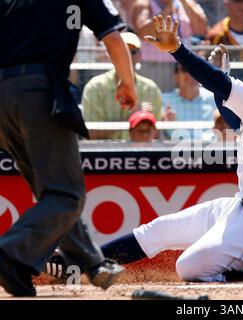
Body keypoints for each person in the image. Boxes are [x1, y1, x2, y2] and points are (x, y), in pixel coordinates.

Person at [45, 15, 243, 283]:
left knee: (189, 267)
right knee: (158, 231)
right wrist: (222, 83)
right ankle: (76, 266)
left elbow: (218, 84)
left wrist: (179, 50)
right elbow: (235, 120)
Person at [0, 0, 137, 297]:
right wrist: (127, 82)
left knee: (53, 192)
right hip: (37, 92)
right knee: (67, 194)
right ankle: (11, 252)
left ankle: (92, 263)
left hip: (3, 97)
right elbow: (113, 37)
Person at [82, 31, 162, 140]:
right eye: (123, 51)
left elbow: (156, 134)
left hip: (140, 153)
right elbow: (90, 134)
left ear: (140, 56)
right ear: (110, 55)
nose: (127, 56)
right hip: (102, 154)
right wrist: (131, 118)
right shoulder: (95, 87)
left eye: (132, 52)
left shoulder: (151, 89)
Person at [132, 0, 208, 91]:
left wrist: (184, 2)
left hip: (183, 68)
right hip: (155, 69)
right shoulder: (144, 3)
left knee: (181, 104)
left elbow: (202, 30)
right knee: (157, 103)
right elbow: (143, 32)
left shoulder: (187, 3)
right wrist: (168, 8)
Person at [160, 62, 216, 140]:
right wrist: (169, 124)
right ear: (176, 76)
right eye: (184, 69)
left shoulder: (214, 99)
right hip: (175, 150)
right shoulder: (164, 101)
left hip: (211, 150)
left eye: (195, 69)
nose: (190, 73)